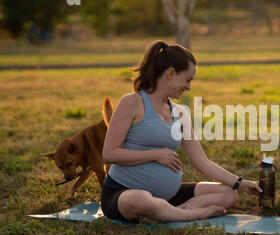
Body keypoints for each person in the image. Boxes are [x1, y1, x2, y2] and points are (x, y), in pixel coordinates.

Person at [101, 40, 263, 223]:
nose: (188, 87)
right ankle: (191, 214)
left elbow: (202, 162)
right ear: (170, 73)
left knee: (227, 194)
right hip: (124, 192)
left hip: (169, 195)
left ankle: (168, 212)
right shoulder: (132, 103)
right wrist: (154, 155)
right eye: (187, 80)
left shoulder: (181, 113)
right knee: (142, 201)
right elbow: (109, 154)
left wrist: (240, 183)